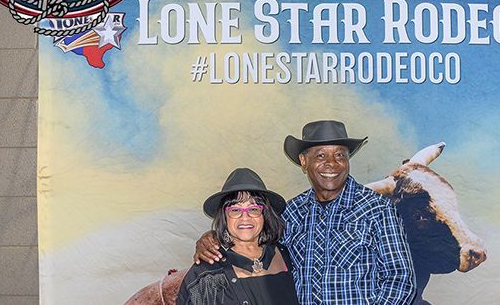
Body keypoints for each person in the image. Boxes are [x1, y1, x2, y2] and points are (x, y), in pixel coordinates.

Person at [196, 121, 415, 305]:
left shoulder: (377, 209)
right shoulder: (292, 212)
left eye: (340, 155)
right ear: (304, 161)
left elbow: (401, 279)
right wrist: (212, 239)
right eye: (320, 156)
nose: (331, 164)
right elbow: (252, 239)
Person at [178, 168, 299, 304]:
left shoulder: (289, 255)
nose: (245, 217)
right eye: (235, 210)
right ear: (224, 216)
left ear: (265, 214)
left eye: (253, 209)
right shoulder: (206, 274)